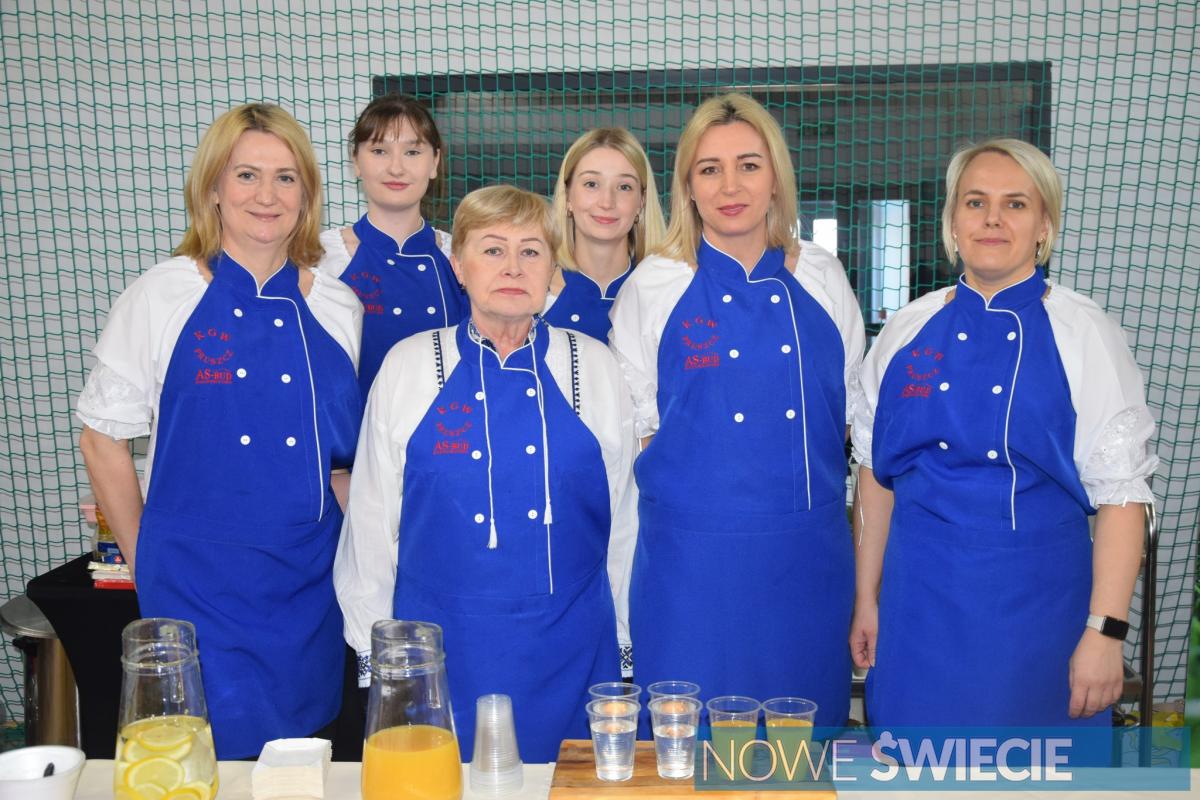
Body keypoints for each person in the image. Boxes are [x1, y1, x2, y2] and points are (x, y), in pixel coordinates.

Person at [76, 104, 363, 758]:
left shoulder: (338, 307)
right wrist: (148, 561)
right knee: (207, 762)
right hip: (196, 586)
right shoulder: (163, 295)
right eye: (246, 175)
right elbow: (101, 438)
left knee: (303, 761)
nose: (267, 195)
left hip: (308, 587)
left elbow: (337, 462)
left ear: (307, 195)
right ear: (212, 188)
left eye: (286, 178)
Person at [849, 138, 1157, 730]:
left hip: (1039, 615)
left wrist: (1105, 632)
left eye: (1015, 204)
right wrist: (867, 598)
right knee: (918, 768)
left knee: (1039, 772)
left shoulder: (1085, 333)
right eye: (975, 202)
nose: (992, 219)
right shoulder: (906, 329)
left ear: (1044, 226)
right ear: (952, 222)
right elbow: (874, 475)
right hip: (918, 611)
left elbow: (1122, 497)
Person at [334, 185, 637, 763]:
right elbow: (370, 525)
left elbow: (624, 521)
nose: (513, 267)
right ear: (459, 266)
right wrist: (380, 657)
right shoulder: (408, 365)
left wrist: (623, 643)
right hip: (437, 657)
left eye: (531, 251)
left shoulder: (594, 367)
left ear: (552, 268)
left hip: (574, 650)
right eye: (493, 249)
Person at [609, 93, 865, 728]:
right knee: (689, 753)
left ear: (776, 176)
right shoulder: (654, 285)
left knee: (801, 754)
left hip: (807, 564)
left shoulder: (824, 277)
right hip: (692, 569)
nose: (730, 186)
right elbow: (638, 434)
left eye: (748, 165)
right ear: (687, 187)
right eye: (709, 169)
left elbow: (847, 423)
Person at [319, 93, 467, 394]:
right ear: (356, 161)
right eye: (379, 151)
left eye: (412, 152)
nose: (396, 168)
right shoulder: (321, 257)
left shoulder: (461, 257)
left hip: (449, 421)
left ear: (435, 162)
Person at [543, 127, 666, 341]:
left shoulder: (667, 293)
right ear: (568, 196)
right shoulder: (533, 294)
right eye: (591, 184)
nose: (607, 202)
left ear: (641, 202)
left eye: (624, 187)